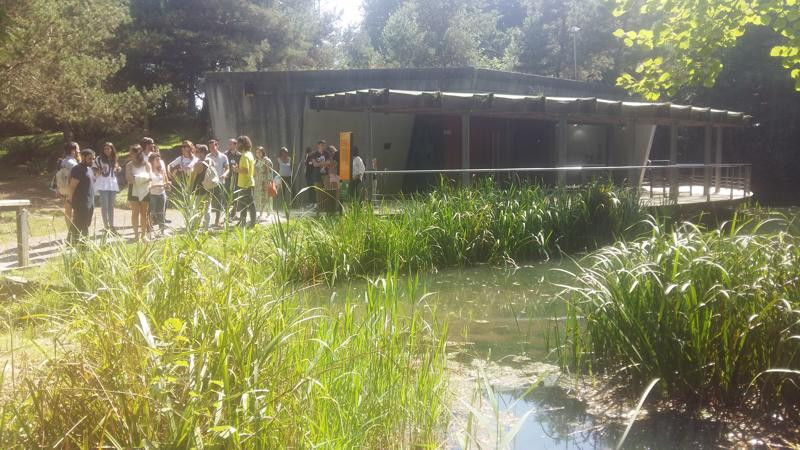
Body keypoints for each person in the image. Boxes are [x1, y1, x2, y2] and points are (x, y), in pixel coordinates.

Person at [67, 149, 96, 245]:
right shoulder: (77, 169)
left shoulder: (90, 169)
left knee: (83, 224)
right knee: (81, 224)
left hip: (89, 202)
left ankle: (71, 243)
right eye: (89, 158)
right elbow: (72, 186)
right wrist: (70, 199)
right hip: (80, 202)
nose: (92, 161)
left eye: (93, 159)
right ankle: (83, 246)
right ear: (83, 157)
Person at [126, 144, 151, 242]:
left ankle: (143, 235)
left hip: (145, 190)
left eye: (132, 152)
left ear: (138, 153)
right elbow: (129, 179)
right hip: (133, 190)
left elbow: (150, 178)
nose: (130, 154)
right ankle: (136, 235)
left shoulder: (146, 164)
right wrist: (143, 179)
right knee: (135, 212)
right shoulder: (129, 165)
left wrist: (138, 179)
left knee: (144, 213)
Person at [93, 142, 120, 232]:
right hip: (103, 183)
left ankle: (112, 226)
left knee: (111, 206)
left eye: (108, 149)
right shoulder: (99, 158)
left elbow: (116, 168)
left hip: (112, 183)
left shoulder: (114, 158)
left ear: (112, 149)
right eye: (105, 149)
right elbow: (93, 168)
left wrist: (118, 169)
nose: (106, 150)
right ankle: (106, 226)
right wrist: (99, 171)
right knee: (105, 206)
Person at [232, 135, 256, 228]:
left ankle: (253, 224)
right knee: (242, 204)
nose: (237, 145)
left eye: (238, 143)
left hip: (246, 184)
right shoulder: (249, 154)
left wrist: (236, 170)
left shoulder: (245, 156)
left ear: (243, 144)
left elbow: (245, 170)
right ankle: (242, 222)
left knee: (250, 204)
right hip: (244, 183)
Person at [189, 144, 214, 228]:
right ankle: (206, 227)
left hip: (200, 189)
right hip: (209, 187)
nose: (195, 153)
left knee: (198, 208)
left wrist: (188, 189)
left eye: (197, 152)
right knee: (207, 209)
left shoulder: (198, 164)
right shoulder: (210, 161)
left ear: (202, 153)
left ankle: (195, 226)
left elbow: (193, 177)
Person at [57, 142, 80, 229]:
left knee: (67, 211)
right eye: (77, 148)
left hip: (64, 189)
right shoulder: (73, 163)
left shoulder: (63, 161)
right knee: (75, 211)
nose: (79, 150)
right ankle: (74, 231)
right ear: (73, 151)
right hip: (73, 189)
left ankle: (69, 230)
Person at [207, 139, 229, 226]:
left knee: (219, 202)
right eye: (210, 147)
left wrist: (224, 174)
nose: (211, 148)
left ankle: (217, 221)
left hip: (220, 182)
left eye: (213, 147)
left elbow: (228, 168)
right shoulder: (207, 157)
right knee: (208, 202)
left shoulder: (223, 157)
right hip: (210, 183)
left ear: (217, 146)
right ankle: (206, 221)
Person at [148, 153, 169, 237]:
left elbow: (164, 181)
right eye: (157, 160)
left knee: (161, 213)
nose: (159, 161)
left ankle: (162, 231)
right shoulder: (149, 171)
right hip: (152, 195)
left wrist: (167, 184)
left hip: (162, 194)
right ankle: (150, 232)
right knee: (151, 214)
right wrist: (160, 185)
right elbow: (149, 185)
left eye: (159, 159)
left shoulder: (161, 170)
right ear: (152, 161)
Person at [253, 146, 272, 219]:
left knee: (266, 196)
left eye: (259, 152)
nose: (258, 154)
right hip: (258, 181)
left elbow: (269, 170)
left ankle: (268, 212)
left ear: (263, 152)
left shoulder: (266, 160)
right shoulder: (256, 161)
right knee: (260, 197)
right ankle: (260, 213)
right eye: (257, 152)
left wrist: (269, 181)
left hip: (265, 181)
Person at [225, 138, 241, 221]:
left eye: (231, 144)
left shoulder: (240, 155)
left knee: (236, 196)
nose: (229, 146)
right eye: (229, 144)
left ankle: (233, 214)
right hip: (228, 179)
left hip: (237, 178)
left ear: (235, 145)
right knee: (227, 196)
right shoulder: (225, 154)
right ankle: (227, 215)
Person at [276, 147, 292, 215]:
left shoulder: (289, 159)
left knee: (292, 190)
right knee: (283, 191)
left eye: (287, 152)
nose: (286, 153)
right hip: (282, 176)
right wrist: (277, 175)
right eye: (284, 152)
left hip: (289, 176)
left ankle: (293, 204)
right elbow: (277, 168)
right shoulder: (279, 159)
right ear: (281, 152)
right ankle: (284, 205)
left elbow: (290, 167)